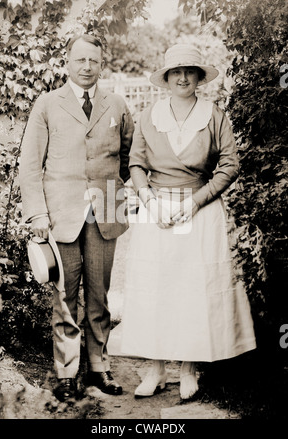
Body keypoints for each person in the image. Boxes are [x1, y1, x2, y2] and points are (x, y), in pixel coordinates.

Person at [121, 44, 256, 400]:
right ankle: (155, 369)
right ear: (165, 78)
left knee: (192, 290)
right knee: (156, 287)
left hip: (200, 209)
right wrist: (148, 200)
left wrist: (195, 202)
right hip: (157, 212)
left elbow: (230, 165)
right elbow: (136, 162)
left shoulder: (214, 116)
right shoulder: (149, 115)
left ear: (199, 77)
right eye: (175, 71)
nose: (182, 77)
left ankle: (188, 369)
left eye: (189, 71)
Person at [19, 34, 134, 401]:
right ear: (67, 62)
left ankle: (98, 368)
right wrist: (37, 211)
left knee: (100, 294)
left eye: (93, 61)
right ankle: (67, 372)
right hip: (59, 215)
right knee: (65, 295)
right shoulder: (48, 104)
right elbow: (30, 164)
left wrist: (111, 187)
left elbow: (131, 156)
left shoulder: (116, 103)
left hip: (106, 210)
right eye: (80, 60)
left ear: (102, 64)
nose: (87, 67)